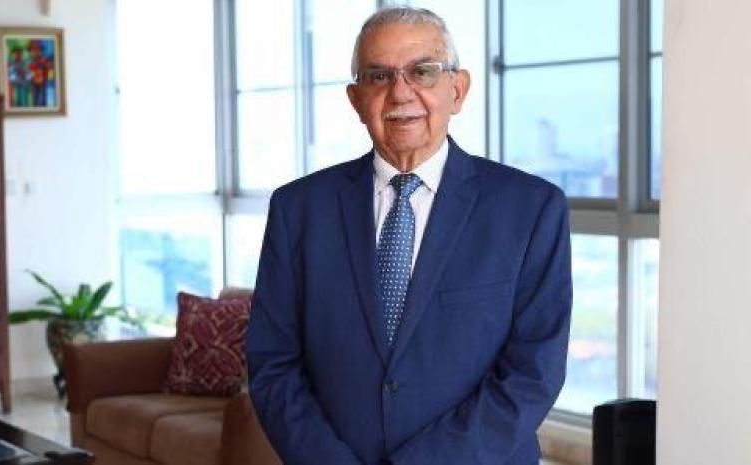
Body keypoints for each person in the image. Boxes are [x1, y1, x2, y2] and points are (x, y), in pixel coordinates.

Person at [245, 6, 572, 465]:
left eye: (423, 71)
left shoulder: (531, 209)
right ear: (356, 99)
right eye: (379, 76)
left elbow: (532, 375)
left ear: (457, 90)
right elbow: (273, 364)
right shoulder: (298, 209)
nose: (400, 92)